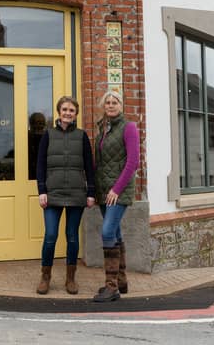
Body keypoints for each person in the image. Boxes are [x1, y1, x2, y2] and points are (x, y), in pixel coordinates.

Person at [36, 96, 95, 295]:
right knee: (51, 236)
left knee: (72, 237)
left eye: (71, 110)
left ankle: (71, 278)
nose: (68, 113)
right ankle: (45, 276)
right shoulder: (48, 135)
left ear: (76, 114)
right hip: (52, 194)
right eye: (64, 109)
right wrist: (42, 190)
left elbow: (89, 166)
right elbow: (40, 165)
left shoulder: (81, 136)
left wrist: (91, 192)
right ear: (59, 112)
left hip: (77, 194)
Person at [93, 90, 140, 303]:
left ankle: (111, 287)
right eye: (108, 103)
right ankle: (121, 280)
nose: (111, 105)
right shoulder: (102, 129)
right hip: (104, 190)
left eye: (115, 102)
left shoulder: (128, 127)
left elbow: (133, 162)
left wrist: (116, 190)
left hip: (117, 191)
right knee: (116, 232)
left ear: (121, 105)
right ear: (104, 106)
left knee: (107, 231)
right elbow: (99, 163)